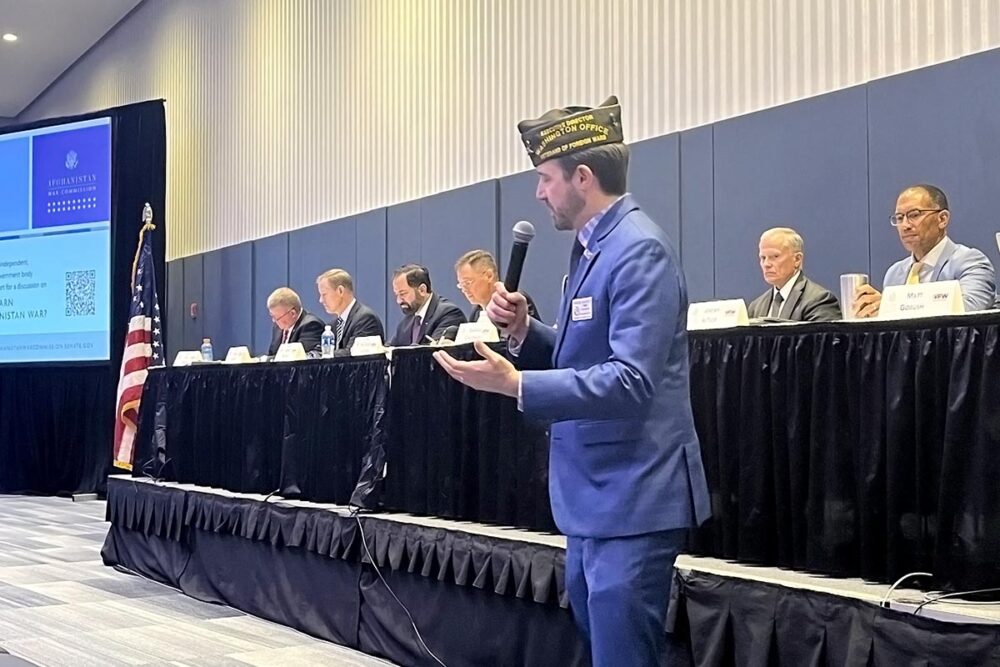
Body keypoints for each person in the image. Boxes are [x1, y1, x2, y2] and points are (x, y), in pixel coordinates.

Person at [432, 96, 711, 667]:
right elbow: (584, 351)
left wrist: (518, 385)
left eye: (545, 178)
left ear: (583, 177)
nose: (539, 192)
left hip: (633, 493)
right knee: (602, 642)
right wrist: (526, 332)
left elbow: (633, 380)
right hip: (597, 497)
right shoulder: (594, 248)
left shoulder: (639, 251)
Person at [854, 184, 996, 317]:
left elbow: (966, 313)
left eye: (914, 215)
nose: (905, 226)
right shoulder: (894, 273)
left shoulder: (970, 262)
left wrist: (891, 308)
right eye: (899, 218)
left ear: (942, 219)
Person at [747, 227, 841, 321]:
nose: (766, 264)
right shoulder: (756, 307)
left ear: (797, 259)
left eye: (775, 257)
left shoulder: (819, 300)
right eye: (763, 258)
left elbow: (822, 335)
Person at [388, 264, 466, 346]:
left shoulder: (448, 314)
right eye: (397, 295)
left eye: (403, 294)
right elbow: (392, 348)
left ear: (422, 290)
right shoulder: (407, 321)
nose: (399, 301)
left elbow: (434, 352)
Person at [455, 249, 540, 322]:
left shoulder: (514, 301)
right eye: (461, 285)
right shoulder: (476, 313)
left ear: (489, 276)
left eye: (467, 282)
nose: (464, 289)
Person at [316, 268, 385, 353]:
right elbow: (320, 350)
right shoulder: (333, 325)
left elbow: (352, 354)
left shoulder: (365, 319)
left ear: (340, 291)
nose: (321, 300)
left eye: (324, 294)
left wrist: (324, 355)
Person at [265, 287, 324, 356]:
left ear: (293, 313)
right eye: (272, 316)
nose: (274, 321)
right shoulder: (277, 327)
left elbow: (301, 359)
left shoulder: (311, 325)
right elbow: (272, 354)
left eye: (277, 318)